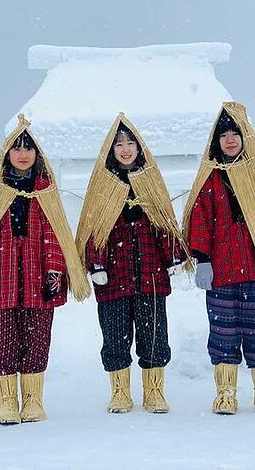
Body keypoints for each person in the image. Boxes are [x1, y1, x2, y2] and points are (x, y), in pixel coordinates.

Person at [0, 114, 89, 425]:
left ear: (37, 155)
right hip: (4, 280)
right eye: (17, 148)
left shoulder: (45, 191)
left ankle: (32, 400)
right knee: (6, 339)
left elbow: (55, 236)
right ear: (7, 154)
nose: (23, 153)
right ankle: (7, 402)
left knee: (38, 339)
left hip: (40, 280)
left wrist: (55, 273)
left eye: (29, 148)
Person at [182, 102, 255, 415]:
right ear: (216, 141)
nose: (230, 140)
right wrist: (202, 259)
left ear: (245, 136)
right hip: (221, 272)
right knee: (223, 333)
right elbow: (200, 220)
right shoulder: (210, 179)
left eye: (236, 133)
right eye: (224, 135)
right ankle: (226, 392)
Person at [76, 113, 188, 414]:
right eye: (119, 144)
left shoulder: (150, 181)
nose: (125, 149)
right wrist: (96, 265)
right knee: (114, 335)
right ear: (110, 151)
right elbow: (94, 229)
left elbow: (165, 222)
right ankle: (120, 391)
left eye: (130, 143)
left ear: (139, 148)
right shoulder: (103, 185)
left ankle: (153, 391)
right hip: (112, 277)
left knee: (154, 334)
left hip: (150, 274)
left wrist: (173, 255)